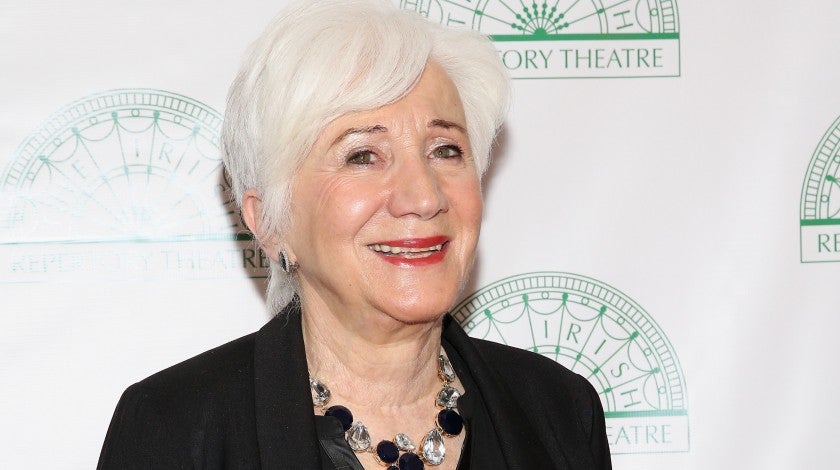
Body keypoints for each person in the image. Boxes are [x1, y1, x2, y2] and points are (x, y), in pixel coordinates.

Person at [97, 1, 612, 469]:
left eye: (445, 150)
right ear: (270, 221)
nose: (424, 196)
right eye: (363, 156)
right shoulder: (175, 427)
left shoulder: (560, 412)